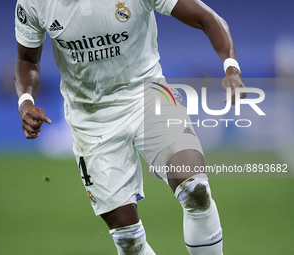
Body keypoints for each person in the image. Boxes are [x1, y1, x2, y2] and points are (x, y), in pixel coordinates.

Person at [14, 0, 245, 254]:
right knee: (128, 240)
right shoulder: (34, 3)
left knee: (195, 189)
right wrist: (26, 101)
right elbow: (27, 60)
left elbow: (206, 17)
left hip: (148, 95)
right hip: (90, 117)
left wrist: (231, 68)